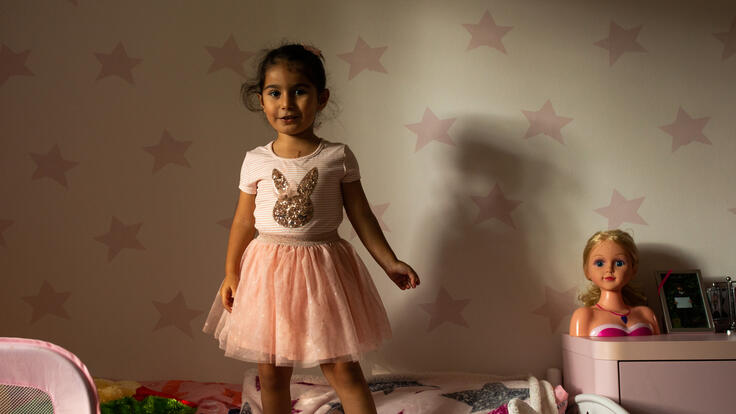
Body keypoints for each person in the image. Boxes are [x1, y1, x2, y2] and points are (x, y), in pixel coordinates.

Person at [203, 44, 420, 414]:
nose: (286, 103)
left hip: (323, 272)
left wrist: (390, 262)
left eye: (299, 91)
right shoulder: (256, 160)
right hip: (267, 274)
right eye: (275, 93)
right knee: (270, 372)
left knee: (341, 367)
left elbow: (362, 216)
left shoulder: (337, 156)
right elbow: (243, 220)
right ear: (261, 100)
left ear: (321, 99)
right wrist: (230, 272)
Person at [569, 230, 659, 337]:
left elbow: (661, 350)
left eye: (619, 263)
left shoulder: (646, 314)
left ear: (633, 270)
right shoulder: (584, 316)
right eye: (599, 263)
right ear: (587, 271)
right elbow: (578, 352)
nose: (609, 269)